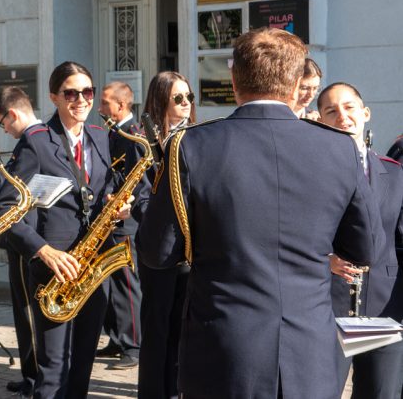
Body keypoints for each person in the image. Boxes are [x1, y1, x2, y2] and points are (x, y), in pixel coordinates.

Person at [138, 27, 383, 398]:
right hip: (309, 353)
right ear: (296, 85)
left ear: (234, 81)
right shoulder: (339, 148)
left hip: (223, 349)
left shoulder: (191, 145)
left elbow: (157, 252)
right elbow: (365, 249)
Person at [0, 61, 132, 399]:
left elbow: (104, 187)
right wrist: (43, 251)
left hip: (92, 268)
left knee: (82, 365)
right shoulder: (37, 141)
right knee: (54, 371)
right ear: (54, 97)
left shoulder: (100, 135)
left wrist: (119, 205)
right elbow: (4, 209)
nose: (81, 100)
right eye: (71, 93)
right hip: (54, 270)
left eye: (87, 92)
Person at [318, 82, 403, 398]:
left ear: (365, 113)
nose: (342, 116)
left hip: (384, 307)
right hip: (328, 307)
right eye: (331, 111)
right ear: (320, 120)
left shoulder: (395, 174)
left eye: (349, 107)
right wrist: (324, 259)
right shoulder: (309, 173)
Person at [131, 71, 195, 399]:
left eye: (189, 97)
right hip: (159, 249)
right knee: (158, 330)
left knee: (182, 330)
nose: (186, 104)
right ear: (160, 101)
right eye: (178, 98)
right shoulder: (143, 142)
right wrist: (166, 217)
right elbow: (139, 199)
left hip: (190, 250)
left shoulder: (194, 138)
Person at [0, 86, 44, 396]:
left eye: (2, 123)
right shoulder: (43, 137)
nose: (4, 130)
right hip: (32, 235)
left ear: (12, 114)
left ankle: (34, 378)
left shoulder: (30, 143)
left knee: (27, 312)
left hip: (25, 237)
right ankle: (32, 374)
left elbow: (12, 196)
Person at [95, 81, 142, 370]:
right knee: (111, 283)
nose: (99, 108)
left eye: (104, 103)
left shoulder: (133, 135)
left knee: (127, 284)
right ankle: (116, 337)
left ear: (121, 106)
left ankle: (133, 345)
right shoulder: (113, 133)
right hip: (108, 220)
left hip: (125, 221)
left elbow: (137, 181)